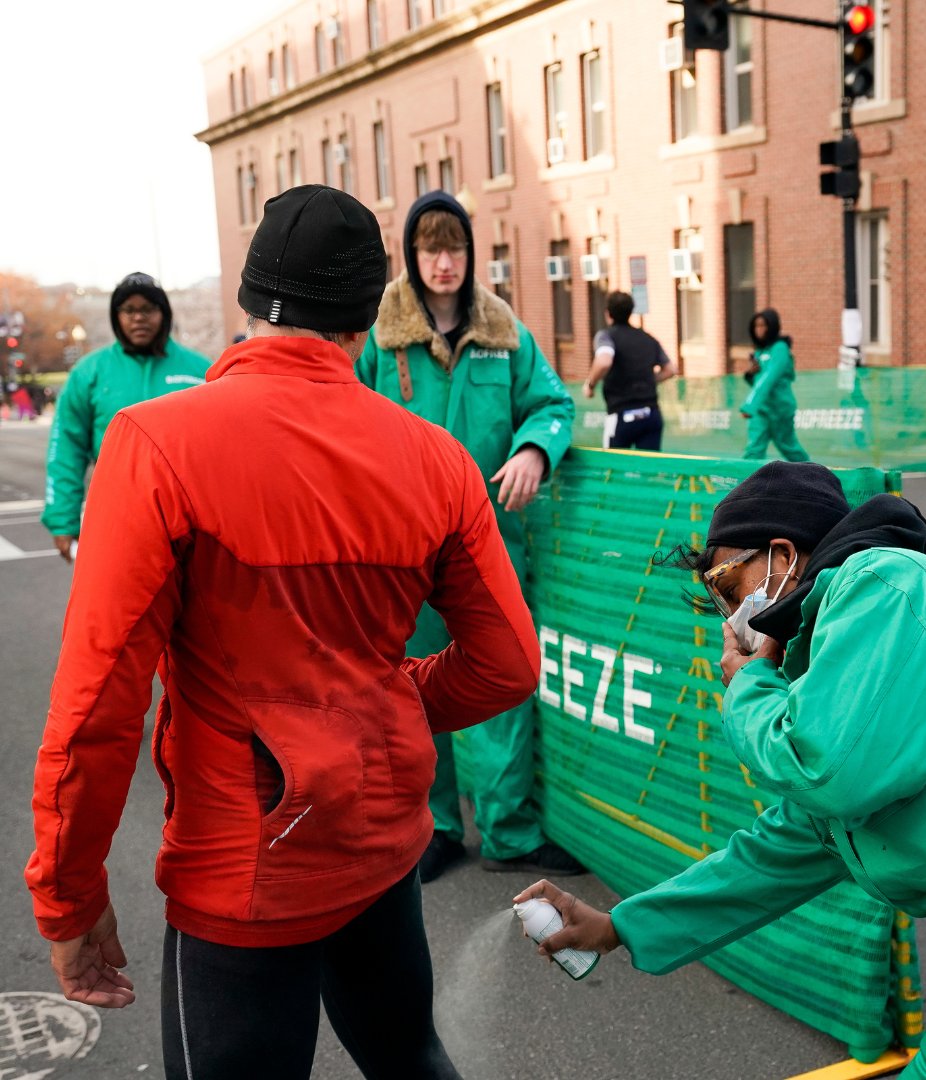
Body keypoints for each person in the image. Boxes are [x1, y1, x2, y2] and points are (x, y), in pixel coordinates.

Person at [25, 184, 542, 1080]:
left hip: (240, 870)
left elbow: (98, 700)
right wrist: (393, 699)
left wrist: (69, 897)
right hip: (381, 846)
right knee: (409, 1056)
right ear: (365, 312)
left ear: (251, 298)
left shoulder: (155, 444)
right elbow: (507, 663)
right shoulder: (437, 458)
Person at [516, 460, 926, 1079]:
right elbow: (782, 849)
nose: (731, 621)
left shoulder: (880, 585)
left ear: (783, 555)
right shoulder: (838, 669)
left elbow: (826, 773)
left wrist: (750, 687)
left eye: (730, 590)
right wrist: (618, 926)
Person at [355, 190, 582, 884]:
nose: (443, 262)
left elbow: (552, 403)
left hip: (487, 542)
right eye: (430, 248)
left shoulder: (504, 332)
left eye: (454, 247)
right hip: (401, 548)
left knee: (501, 679)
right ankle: (437, 828)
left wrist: (534, 449)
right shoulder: (379, 337)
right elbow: (344, 418)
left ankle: (509, 831)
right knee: (413, 688)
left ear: (471, 253)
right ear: (411, 255)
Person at [40, 272, 210, 561]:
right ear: (116, 316)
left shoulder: (201, 370)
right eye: (128, 310)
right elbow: (66, 449)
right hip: (119, 516)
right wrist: (63, 520)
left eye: (148, 309)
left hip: (194, 520)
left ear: (164, 313)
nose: (138, 318)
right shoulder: (89, 372)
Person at [584, 290, 674, 450]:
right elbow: (670, 369)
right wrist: (646, 379)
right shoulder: (648, 339)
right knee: (649, 471)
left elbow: (604, 361)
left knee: (614, 468)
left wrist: (590, 384)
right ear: (630, 312)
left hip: (621, 415)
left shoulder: (606, 336)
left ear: (608, 314)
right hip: (651, 415)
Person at [740, 308, 808, 461]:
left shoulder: (780, 349)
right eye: (756, 326)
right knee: (753, 449)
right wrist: (750, 374)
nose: (759, 330)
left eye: (763, 325)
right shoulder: (759, 351)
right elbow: (758, 382)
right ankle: (747, 484)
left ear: (772, 327)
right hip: (761, 410)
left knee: (789, 448)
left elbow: (770, 379)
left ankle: (817, 479)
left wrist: (749, 405)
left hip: (780, 408)